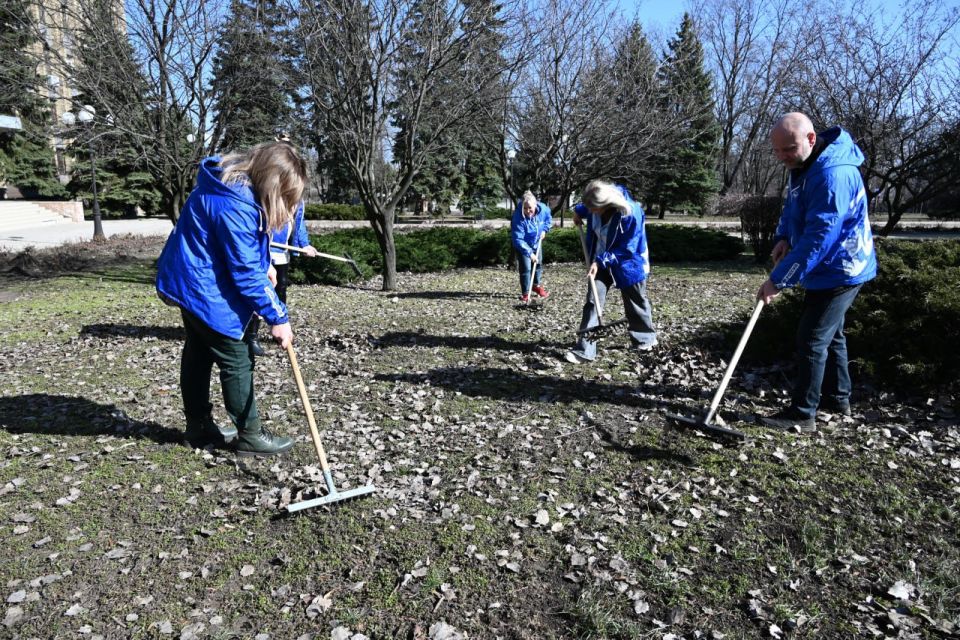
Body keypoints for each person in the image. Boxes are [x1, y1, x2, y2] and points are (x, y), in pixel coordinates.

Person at [156, 141, 306, 456]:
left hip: (189, 282)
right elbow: (245, 274)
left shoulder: (226, 185)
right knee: (236, 358)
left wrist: (263, 265)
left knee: (198, 351)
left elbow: (229, 248)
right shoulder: (237, 203)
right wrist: (278, 317)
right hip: (204, 288)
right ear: (272, 182)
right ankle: (250, 435)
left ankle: (199, 426)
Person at [757, 112, 877, 433]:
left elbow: (819, 238)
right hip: (827, 266)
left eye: (789, 150)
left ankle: (802, 413)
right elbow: (792, 206)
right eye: (778, 151)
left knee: (811, 338)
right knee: (831, 333)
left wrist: (779, 280)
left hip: (842, 268)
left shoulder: (832, 175)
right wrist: (782, 236)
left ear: (811, 139)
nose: (782, 157)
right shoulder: (804, 164)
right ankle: (837, 398)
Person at [565, 180, 657, 364]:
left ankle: (645, 339)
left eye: (594, 210)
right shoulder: (594, 203)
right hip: (599, 260)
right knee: (593, 301)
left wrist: (601, 261)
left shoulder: (630, 213)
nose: (591, 212)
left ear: (606, 204)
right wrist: (577, 212)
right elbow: (586, 207)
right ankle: (585, 350)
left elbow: (627, 249)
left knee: (635, 301)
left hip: (628, 262)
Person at [244, 202, 317, 356]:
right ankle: (251, 336)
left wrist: (304, 244)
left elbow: (299, 220)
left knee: (281, 289)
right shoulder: (269, 193)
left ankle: (278, 328)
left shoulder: (298, 200)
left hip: (282, 251)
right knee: (261, 289)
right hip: (265, 250)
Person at [510, 190, 552, 302]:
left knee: (538, 263)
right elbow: (518, 239)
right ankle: (525, 292)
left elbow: (548, 219)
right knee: (526, 268)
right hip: (523, 245)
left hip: (536, 241)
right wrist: (530, 253)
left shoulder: (543, 209)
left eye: (530, 208)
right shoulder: (518, 217)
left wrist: (545, 230)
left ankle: (536, 286)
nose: (528, 211)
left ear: (535, 205)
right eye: (525, 208)